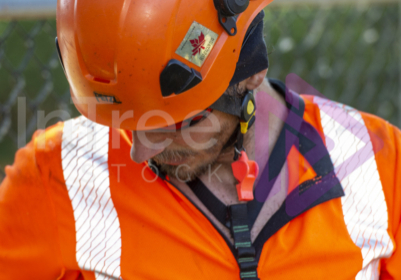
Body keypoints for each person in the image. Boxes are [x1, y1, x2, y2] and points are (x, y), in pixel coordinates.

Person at [0, 0, 400, 279]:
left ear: (250, 73)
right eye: (121, 120)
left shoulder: (377, 161)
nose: (139, 151)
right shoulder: (55, 179)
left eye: (176, 122)